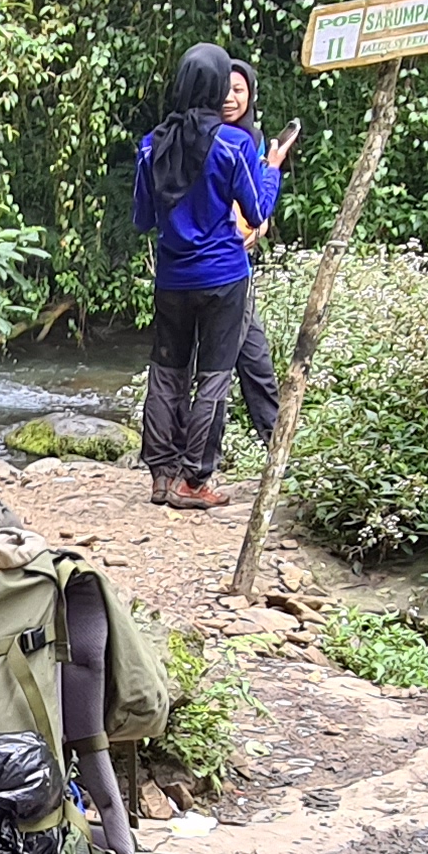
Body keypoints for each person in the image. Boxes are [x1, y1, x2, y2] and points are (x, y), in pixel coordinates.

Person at [130, 42, 281, 508]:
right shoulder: (235, 145)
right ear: (216, 88)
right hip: (223, 278)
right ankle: (195, 481)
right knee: (213, 376)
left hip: (172, 277)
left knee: (167, 373)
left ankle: (161, 475)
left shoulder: (152, 144)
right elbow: (256, 211)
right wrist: (271, 169)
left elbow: (141, 218)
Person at [222, 58, 303, 456]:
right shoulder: (207, 137)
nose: (229, 97)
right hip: (214, 269)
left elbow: (257, 205)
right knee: (226, 367)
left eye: (238, 90)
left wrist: (258, 225)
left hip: (238, 268)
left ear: (250, 94)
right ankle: (194, 467)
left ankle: (277, 455)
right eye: (222, 88)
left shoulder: (250, 139)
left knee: (254, 361)